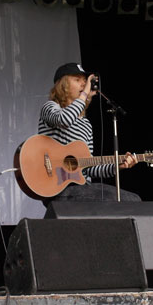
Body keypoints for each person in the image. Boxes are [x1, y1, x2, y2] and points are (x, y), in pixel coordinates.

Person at [39, 62, 141, 206]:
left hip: (81, 190)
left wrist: (117, 166)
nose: (84, 84)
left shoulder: (85, 124)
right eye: (77, 80)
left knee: (131, 199)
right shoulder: (50, 107)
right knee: (131, 201)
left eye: (84, 80)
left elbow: (90, 168)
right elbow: (64, 120)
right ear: (63, 85)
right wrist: (85, 92)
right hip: (57, 187)